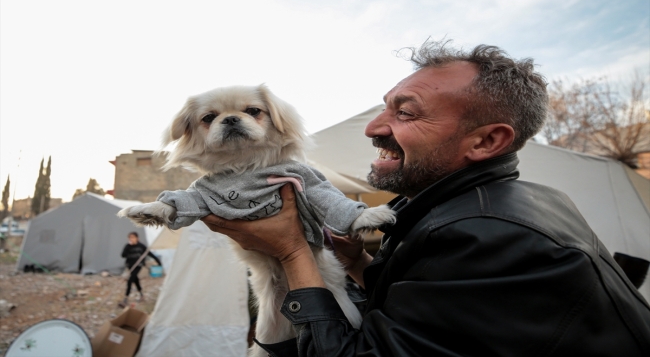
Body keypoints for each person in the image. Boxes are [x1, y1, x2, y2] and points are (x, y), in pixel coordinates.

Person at [201, 40, 650, 356]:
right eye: (385, 106)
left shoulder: (490, 237)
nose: (374, 127)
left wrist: (293, 251)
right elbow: (420, 308)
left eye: (406, 112)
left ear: (485, 141)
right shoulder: (453, 205)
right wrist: (357, 263)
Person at [120, 231, 161, 304]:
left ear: (137, 238)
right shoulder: (127, 246)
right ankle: (141, 295)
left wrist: (158, 261)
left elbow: (149, 253)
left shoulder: (141, 246)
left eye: (133, 237)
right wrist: (128, 247)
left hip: (138, 265)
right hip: (130, 265)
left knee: (130, 280)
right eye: (130, 238)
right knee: (135, 279)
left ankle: (126, 298)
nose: (131, 239)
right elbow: (123, 255)